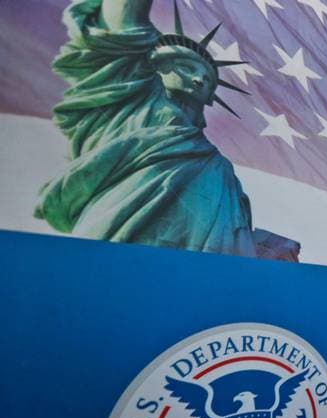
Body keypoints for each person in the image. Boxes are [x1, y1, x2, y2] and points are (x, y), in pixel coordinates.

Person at [34, 0, 300, 261]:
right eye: (185, 68)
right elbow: (122, 26)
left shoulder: (218, 167)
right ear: (155, 68)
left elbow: (227, 239)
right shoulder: (133, 107)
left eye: (207, 79)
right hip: (115, 262)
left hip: (198, 287)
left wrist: (265, 248)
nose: (199, 80)